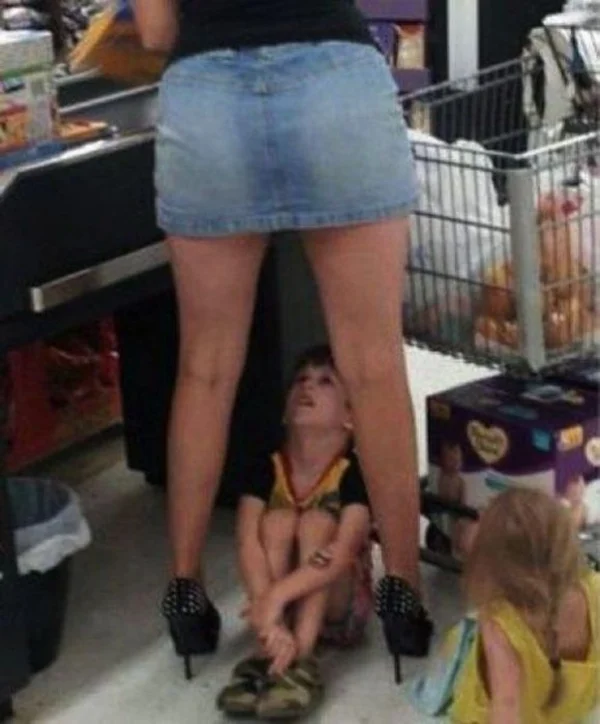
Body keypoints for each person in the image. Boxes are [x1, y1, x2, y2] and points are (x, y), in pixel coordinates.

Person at [132, 0, 432, 679]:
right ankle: (403, 598)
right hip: (335, 86)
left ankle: (186, 594)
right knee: (374, 366)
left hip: (208, 100)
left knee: (205, 368)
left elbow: (154, 32)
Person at [216, 345, 373, 718]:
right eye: (301, 379)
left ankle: (300, 658)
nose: (308, 386)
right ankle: (269, 648)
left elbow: (342, 554)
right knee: (277, 521)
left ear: (350, 415)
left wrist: (274, 597)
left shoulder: (353, 472)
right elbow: (247, 542)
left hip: (338, 605)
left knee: (317, 522)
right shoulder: (266, 464)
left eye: (326, 381)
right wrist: (268, 613)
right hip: (275, 608)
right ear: (285, 411)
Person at [410, 488, 600, 724]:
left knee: (463, 638)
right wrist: (576, 505)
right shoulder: (593, 588)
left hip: (513, 715)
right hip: (570, 712)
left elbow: (506, 705)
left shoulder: (500, 623)